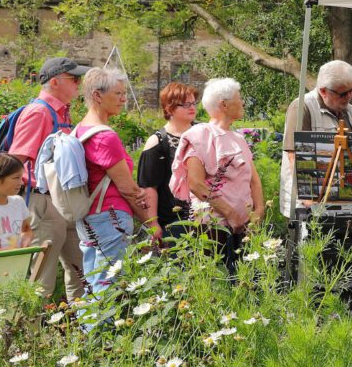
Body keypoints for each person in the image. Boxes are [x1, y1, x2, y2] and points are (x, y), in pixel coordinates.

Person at [8, 56, 89, 299]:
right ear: (54, 82)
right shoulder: (39, 113)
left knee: (81, 273)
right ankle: (30, 335)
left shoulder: (61, 113)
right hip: (42, 203)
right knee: (41, 280)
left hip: (63, 202)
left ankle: (83, 332)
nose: (79, 83)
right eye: (73, 78)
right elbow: (16, 161)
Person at [171, 78, 265, 276]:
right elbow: (196, 184)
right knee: (216, 282)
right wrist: (230, 214)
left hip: (245, 229)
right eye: (239, 99)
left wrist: (259, 210)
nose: (242, 103)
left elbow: (253, 179)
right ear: (224, 104)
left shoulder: (238, 138)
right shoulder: (199, 135)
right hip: (212, 229)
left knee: (244, 285)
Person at [74, 68, 150, 294]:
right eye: (118, 93)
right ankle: (100, 329)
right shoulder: (104, 136)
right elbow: (128, 189)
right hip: (110, 218)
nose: (124, 99)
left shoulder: (80, 130)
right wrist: (151, 222)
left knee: (94, 284)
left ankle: (89, 329)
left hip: (90, 217)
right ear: (98, 96)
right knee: (109, 288)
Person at [280, 61, 352, 215]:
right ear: (323, 91)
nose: (349, 97)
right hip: (305, 203)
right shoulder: (302, 107)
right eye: (343, 93)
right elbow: (294, 156)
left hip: (340, 198)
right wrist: (312, 202)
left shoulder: (350, 110)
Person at [137, 82, 198, 242]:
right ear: (169, 108)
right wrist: (153, 223)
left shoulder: (203, 133)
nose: (192, 107)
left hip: (204, 216)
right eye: (185, 104)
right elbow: (149, 186)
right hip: (173, 221)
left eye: (193, 103)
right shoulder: (158, 141)